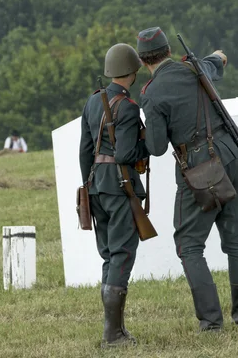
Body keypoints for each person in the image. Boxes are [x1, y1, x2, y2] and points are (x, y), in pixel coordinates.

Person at [137, 27, 238, 332]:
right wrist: (219, 56)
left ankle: (212, 323)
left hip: (201, 168)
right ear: (168, 52)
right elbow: (217, 60)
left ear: (142, 60)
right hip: (232, 152)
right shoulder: (194, 67)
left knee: (189, 246)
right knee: (235, 239)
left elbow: (158, 147)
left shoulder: (152, 93)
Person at [79, 43, 148, 348]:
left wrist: (88, 185)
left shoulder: (93, 102)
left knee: (109, 254)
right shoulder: (130, 107)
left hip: (95, 184)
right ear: (132, 71)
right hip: (121, 185)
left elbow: (84, 150)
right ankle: (113, 334)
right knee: (121, 253)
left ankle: (114, 330)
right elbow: (125, 152)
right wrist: (145, 147)